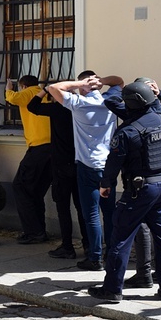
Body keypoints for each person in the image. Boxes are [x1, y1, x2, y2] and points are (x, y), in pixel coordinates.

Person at [87, 81, 161, 303]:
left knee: (121, 237)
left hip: (140, 189)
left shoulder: (128, 130)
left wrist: (106, 184)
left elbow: (114, 161)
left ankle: (112, 290)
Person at [47, 71, 123, 271]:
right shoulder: (111, 101)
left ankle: (95, 257)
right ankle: (111, 253)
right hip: (108, 166)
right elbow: (119, 81)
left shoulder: (79, 104)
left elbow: (53, 88)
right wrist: (101, 81)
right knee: (109, 212)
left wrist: (80, 83)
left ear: (83, 87)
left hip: (88, 165)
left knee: (91, 214)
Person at [27, 94, 89, 260]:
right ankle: (89, 246)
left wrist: (44, 91)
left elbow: (32, 106)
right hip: (80, 163)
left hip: (62, 166)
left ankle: (67, 246)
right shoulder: (81, 109)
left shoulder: (57, 109)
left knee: (63, 208)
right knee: (82, 208)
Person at [6, 75, 53, 244]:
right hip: (53, 149)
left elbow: (14, 98)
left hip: (38, 148)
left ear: (23, 86)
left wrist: (8, 88)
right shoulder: (45, 93)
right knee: (36, 191)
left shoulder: (30, 92)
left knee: (21, 187)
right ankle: (39, 229)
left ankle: (34, 231)